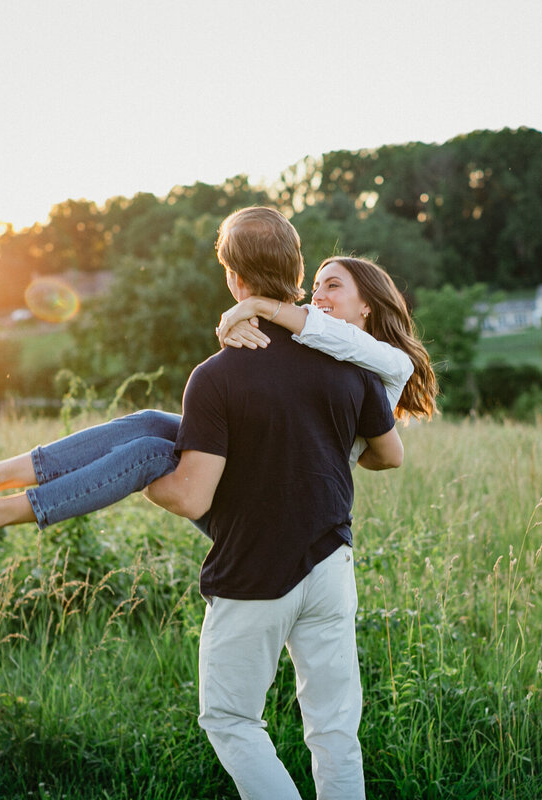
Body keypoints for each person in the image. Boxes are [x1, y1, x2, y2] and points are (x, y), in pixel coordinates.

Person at [140, 206, 401, 798]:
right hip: (330, 563)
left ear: (234, 279)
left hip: (253, 570)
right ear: (298, 270)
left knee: (231, 719)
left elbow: (191, 498)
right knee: (335, 728)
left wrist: (146, 479)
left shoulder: (215, 376)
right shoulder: (351, 363)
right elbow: (389, 455)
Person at [0, 254, 436, 543]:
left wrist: (255, 305)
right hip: (261, 469)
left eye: (333, 287)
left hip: (272, 501)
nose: (317, 297)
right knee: (149, 421)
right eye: (316, 285)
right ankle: (0, 475)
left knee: (150, 453)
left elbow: (385, 452)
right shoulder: (327, 355)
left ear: (368, 307)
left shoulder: (389, 363)